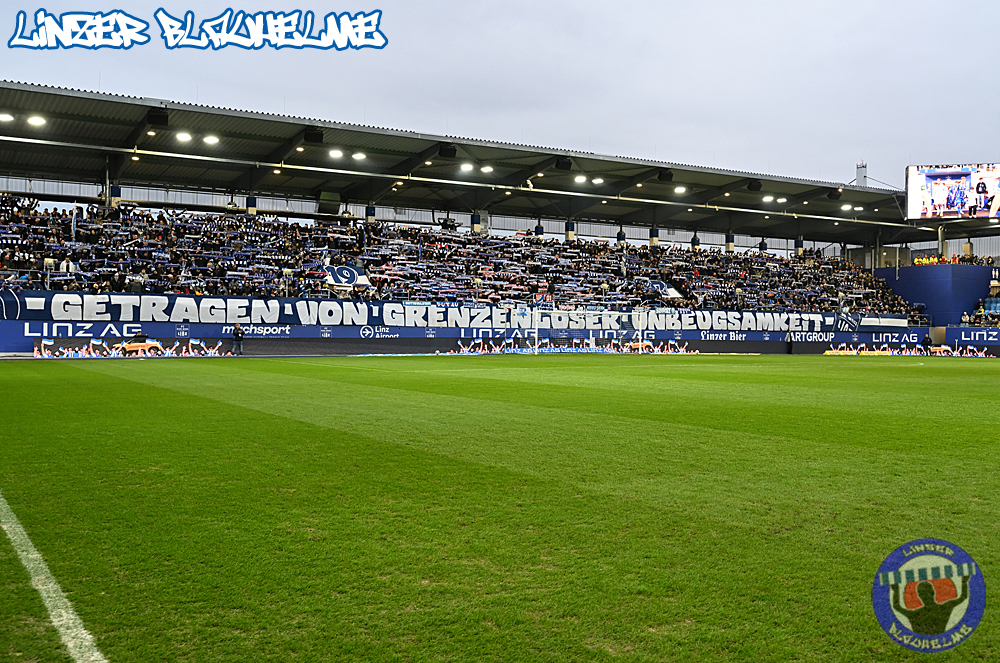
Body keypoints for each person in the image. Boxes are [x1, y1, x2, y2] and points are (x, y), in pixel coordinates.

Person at [891, 576, 970, 636]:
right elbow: (963, 597)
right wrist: (964, 581)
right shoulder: (944, 608)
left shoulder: (915, 614)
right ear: (933, 592)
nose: (925, 596)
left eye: (924, 593)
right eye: (923, 594)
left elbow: (897, 606)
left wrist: (896, 590)